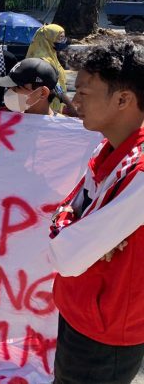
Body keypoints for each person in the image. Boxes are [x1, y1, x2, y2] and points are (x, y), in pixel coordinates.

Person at [47, 39, 144, 384]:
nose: (74, 102)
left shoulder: (139, 171)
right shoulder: (111, 148)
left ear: (123, 100)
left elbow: (67, 255)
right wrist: (77, 228)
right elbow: (63, 220)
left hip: (107, 332)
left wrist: (73, 228)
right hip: (82, 310)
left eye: (84, 93)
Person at [26, 24, 75, 114]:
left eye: (63, 37)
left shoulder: (51, 55)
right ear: (48, 39)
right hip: (47, 107)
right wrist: (71, 106)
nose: (63, 41)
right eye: (59, 38)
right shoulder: (44, 61)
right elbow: (56, 87)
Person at [0, 58, 65, 116]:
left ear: (43, 93)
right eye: (9, 87)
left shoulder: (63, 129)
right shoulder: (5, 119)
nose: (9, 91)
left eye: (18, 87)